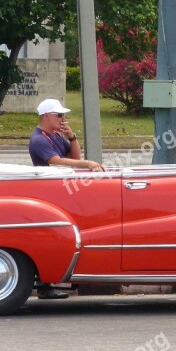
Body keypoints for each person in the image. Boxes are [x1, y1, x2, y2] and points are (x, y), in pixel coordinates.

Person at [28, 99, 103, 300]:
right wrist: (87, 163)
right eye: (58, 115)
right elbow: (55, 162)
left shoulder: (56, 137)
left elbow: (73, 156)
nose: (63, 119)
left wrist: (72, 138)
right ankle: (44, 285)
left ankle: (50, 281)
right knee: (51, 237)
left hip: (62, 190)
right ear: (45, 116)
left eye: (63, 115)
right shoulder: (39, 140)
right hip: (48, 192)